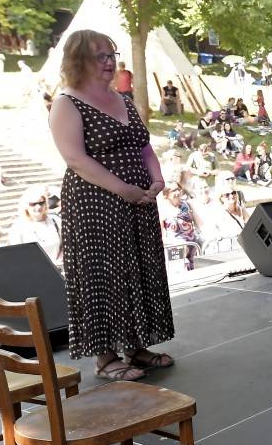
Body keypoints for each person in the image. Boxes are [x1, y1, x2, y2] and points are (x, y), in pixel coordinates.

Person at [48, 29, 175, 382]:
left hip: (137, 202)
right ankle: (105, 359)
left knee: (136, 268)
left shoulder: (123, 99)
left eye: (111, 55)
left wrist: (157, 179)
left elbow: (144, 147)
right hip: (96, 205)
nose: (109, 62)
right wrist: (123, 189)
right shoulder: (67, 104)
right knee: (103, 275)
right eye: (100, 56)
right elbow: (75, 159)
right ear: (79, 61)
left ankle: (135, 346)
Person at [9, 185, 63, 266]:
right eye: (33, 204)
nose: (38, 207)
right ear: (26, 205)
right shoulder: (18, 227)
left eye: (41, 203)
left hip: (57, 272)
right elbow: (15, 256)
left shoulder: (55, 221)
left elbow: (66, 245)